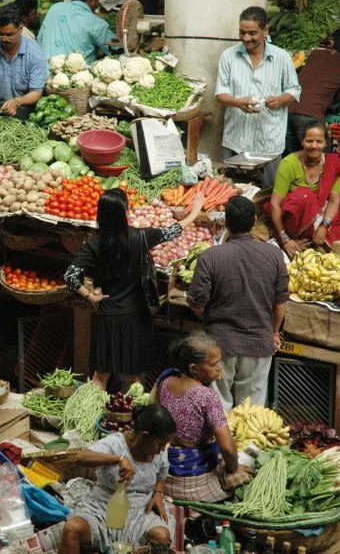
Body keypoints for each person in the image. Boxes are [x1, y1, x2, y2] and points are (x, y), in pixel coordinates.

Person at [64, 188, 204, 391]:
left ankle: (90, 419)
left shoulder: (94, 244)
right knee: (134, 379)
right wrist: (193, 213)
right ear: (125, 213)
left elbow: (70, 276)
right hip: (136, 316)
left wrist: (90, 297)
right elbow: (172, 231)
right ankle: (133, 418)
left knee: (100, 377)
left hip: (107, 315)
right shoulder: (141, 237)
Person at [187, 196, 289, 412]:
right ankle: (246, 447)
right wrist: (274, 332)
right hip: (259, 344)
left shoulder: (211, 256)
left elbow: (196, 301)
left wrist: (210, 319)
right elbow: (281, 303)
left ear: (226, 222)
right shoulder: (274, 255)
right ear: (254, 221)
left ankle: (218, 446)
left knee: (218, 410)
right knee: (250, 414)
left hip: (220, 346)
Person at [59, 404, 177, 554]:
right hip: (103, 508)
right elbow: (79, 458)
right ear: (144, 436)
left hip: (140, 511)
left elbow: (162, 473)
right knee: (71, 529)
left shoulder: (160, 452)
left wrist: (158, 493)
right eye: (160, 444)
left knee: (161, 536)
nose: (162, 449)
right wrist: (118, 459)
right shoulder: (115, 443)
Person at [216, 6, 301, 188]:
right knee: (231, 195)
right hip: (235, 141)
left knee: (268, 195)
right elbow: (220, 94)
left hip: (268, 143)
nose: (246, 38)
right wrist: (237, 103)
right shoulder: (228, 56)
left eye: (252, 33)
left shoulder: (281, 58)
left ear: (265, 30)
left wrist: (279, 100)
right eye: (242, 32)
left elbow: (294, 90)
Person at [157, 332, 248, 502]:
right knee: (246, 475)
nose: (219, 368)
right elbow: (228, 448)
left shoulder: (166, 380)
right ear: (194, 368)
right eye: (213, 364)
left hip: (166, 472)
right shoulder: (206, 397)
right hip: (193, 481)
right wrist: (233, 470)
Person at [268, 122, 340, 255]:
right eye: (309, 141)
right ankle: (305, 238)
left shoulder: (332, 164)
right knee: (304, 195)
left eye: (319, 141)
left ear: (325, 143)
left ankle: (312, 239)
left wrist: (324, 226)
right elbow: (274, 204)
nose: (314, 146)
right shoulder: (288, 163)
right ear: (302, 142)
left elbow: (334, 200)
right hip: (295, 220)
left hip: (321, 217)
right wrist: (285, 238)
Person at [286, 26, 340, 154]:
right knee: (319, 159)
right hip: (311, 114)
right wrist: (336, 103)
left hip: (288, 110)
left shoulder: (316, 53)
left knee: (291, 159)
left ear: (335, 41)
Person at [37, 0, 114, 65]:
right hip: (77, 76)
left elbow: (40, 40)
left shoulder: (55, 8)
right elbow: (118, 48)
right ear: (91, 0)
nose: (98, 4)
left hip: (44, 73)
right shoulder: (95, 22)